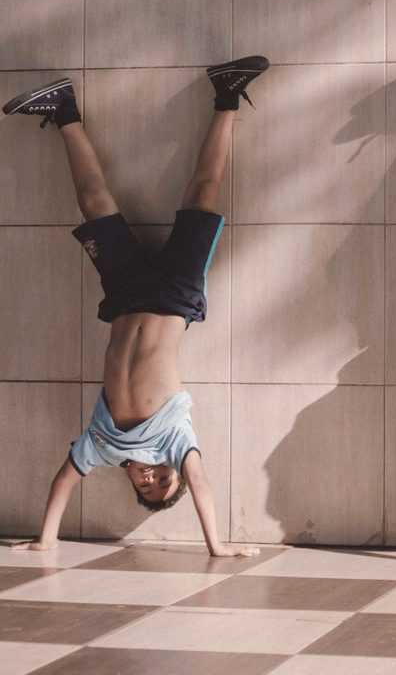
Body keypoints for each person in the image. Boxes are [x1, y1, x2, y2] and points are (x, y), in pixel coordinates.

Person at [5, 55, 269, 558]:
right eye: (162, 481)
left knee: (93, 202)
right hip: (174, 296)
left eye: (145, 486)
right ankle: (228, 94)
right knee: (204, 193)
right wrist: (218, 547)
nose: (152, 476)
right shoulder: (176, 440)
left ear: (129, 479)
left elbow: (64, 481)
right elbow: (203, 486)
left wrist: (45, 539)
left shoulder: (100, 446)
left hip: (124, 298)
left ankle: (63, 110)